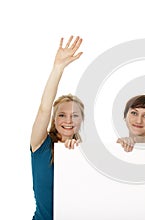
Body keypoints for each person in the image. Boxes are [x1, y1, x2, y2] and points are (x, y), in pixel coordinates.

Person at [30, 36, 84, 220]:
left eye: (74, 115)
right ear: (54, 119)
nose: (68, 120)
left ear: (81, 120)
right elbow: (44, 109)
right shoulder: (40, 144)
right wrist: (58, 67)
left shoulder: (85, 153)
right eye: (62, 115)